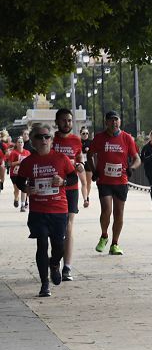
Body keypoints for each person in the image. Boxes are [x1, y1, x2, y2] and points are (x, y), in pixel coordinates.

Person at [10, 124, 75, 297]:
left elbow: (73, 177)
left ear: (52, 140)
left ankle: (54, 264)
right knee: (42, 244)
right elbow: (19, 181)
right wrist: (26, 189)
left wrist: (63, 182)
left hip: (58, 209)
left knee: (59, 246)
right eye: (40, 137)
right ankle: (44, 284)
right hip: (38, 210)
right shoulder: (28, 162)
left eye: (47, 137)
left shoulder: (61, 158)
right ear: (32, 141)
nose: (44, 140)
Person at [89, 111, 141, 255]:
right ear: (106, 122)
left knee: (119, 213)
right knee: (106, 210)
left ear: (120, 122)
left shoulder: (127, 138)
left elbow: (137, 158)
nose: (114, 123)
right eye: (111, 120)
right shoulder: (99, 138)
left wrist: (132, 168)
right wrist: (94, 170)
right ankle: (104, 235)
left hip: (121, 181)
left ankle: (115, 243)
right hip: (104, 181)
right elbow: (89, 155)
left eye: (116, 120)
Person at [52, 109, 87, 281]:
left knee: (69, 226)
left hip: (71, 187)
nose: (67, 123)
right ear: (57, 122)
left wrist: (80, 165)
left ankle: (67, 266)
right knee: (56, 228)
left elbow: (79, 158)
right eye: (64, 120)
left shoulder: (76, 140)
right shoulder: (50, 140)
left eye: (70, 121)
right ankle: (55, 261)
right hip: (54, 189)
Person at [7, 137, 31, 211]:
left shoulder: (27, 152)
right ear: (16, 144)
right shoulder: (14, 153)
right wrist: (19, 162)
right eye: (19, 142)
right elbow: (10, 164)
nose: (20, 143)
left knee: (23, 189)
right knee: (17, 190)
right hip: (14, 174)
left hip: (24, 173)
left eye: (21, 142)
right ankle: (16, 198)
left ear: (23, 144)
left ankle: (23, 205)